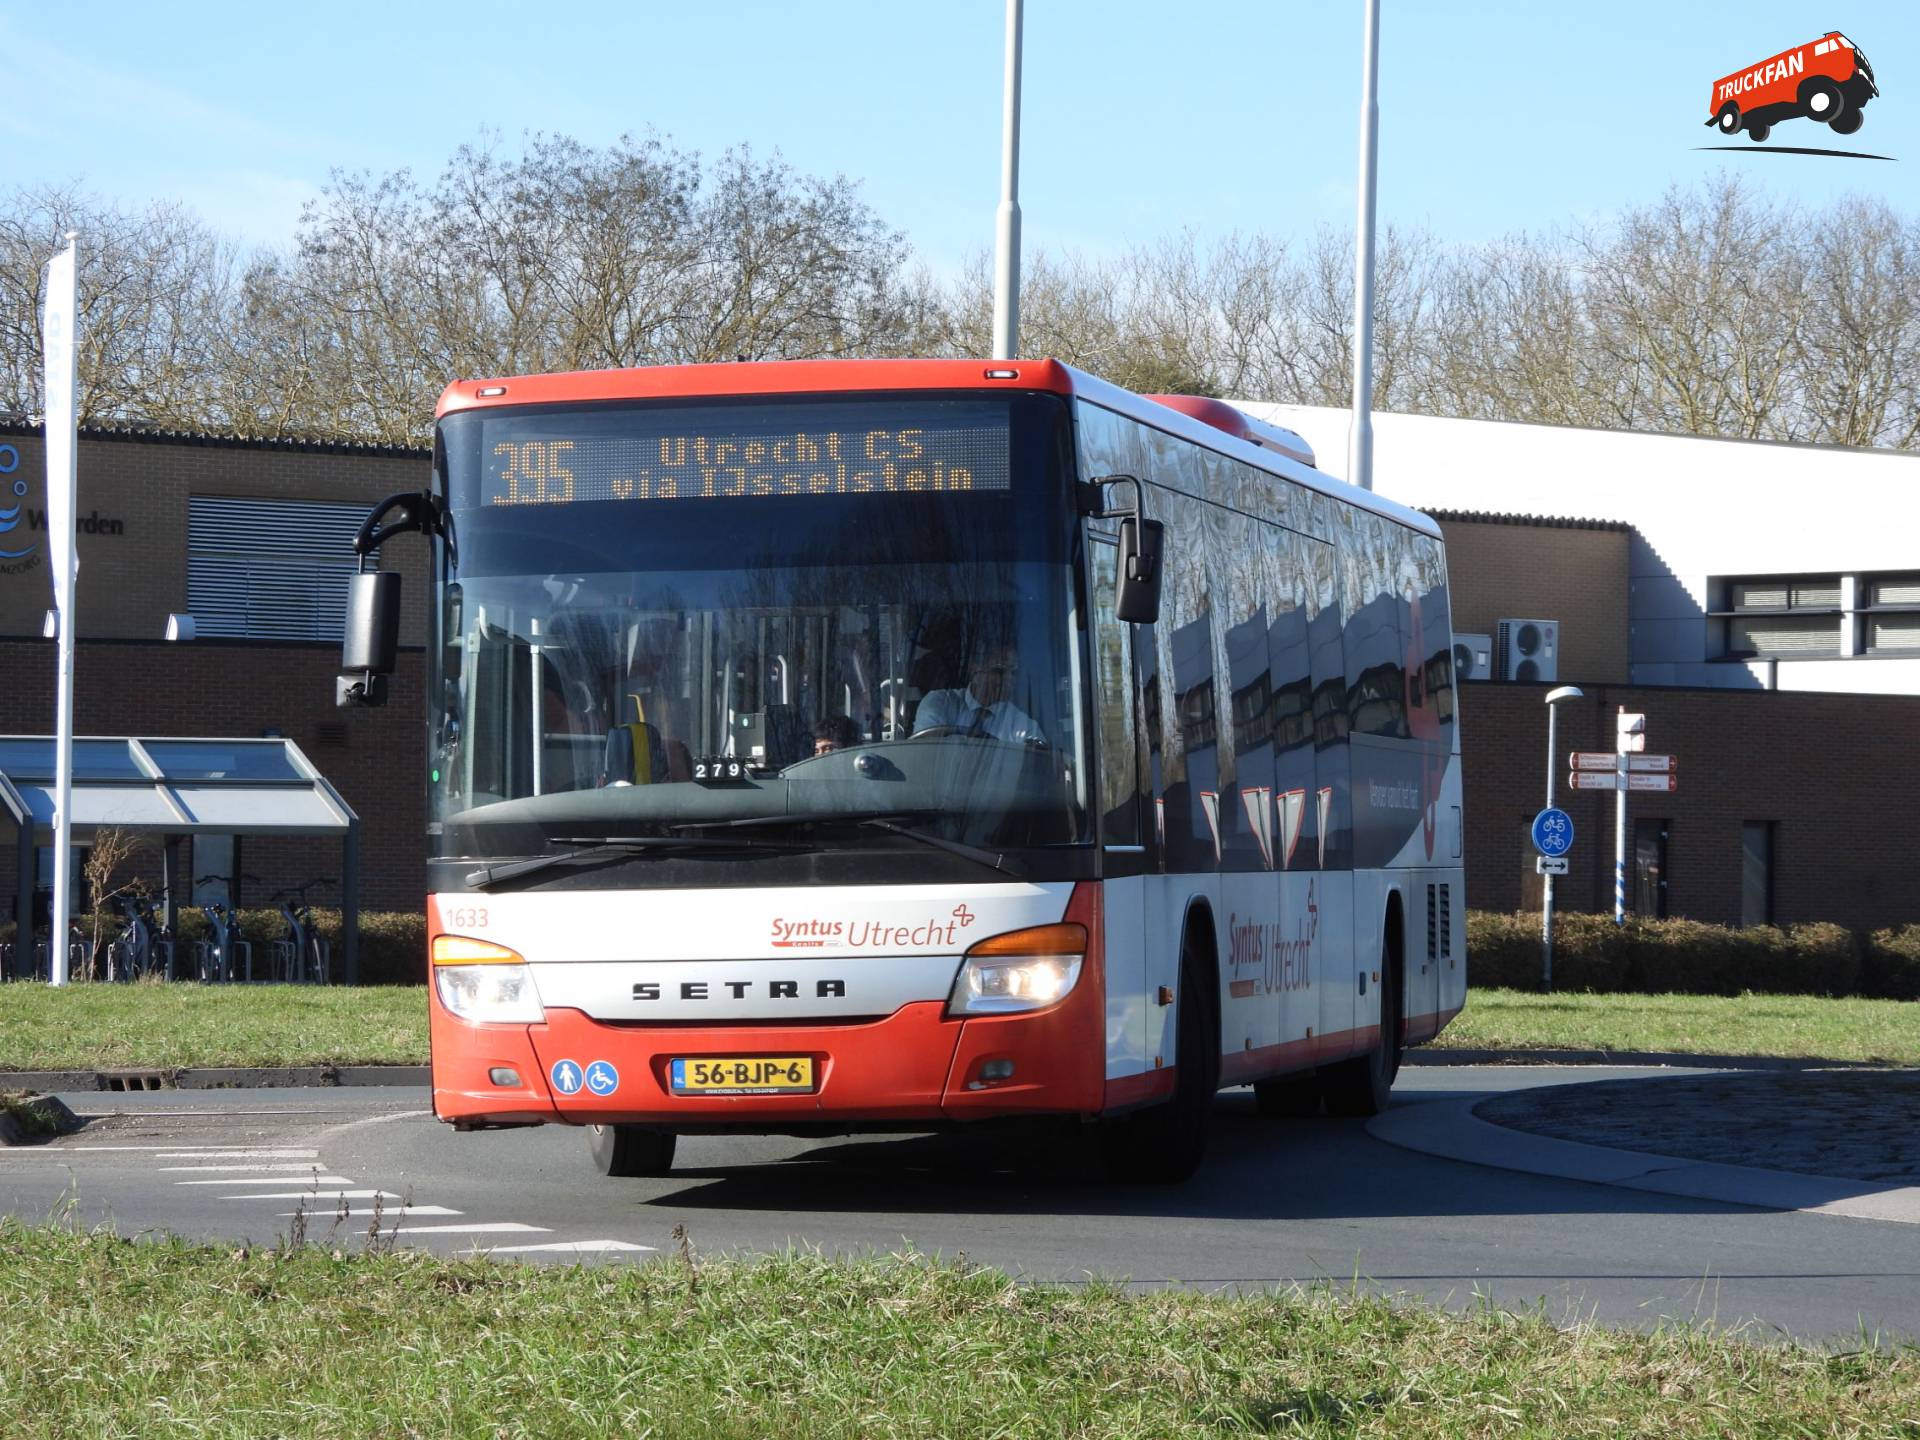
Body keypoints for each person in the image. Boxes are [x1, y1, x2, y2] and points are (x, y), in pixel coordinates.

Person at [912, 645, 1045, 744]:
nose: (1009, 679)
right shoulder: (939, 703)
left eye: (1014, 673)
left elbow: (1037, 756)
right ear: (974, 669)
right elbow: (924, 750)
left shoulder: (1021, 724)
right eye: (999, 671)